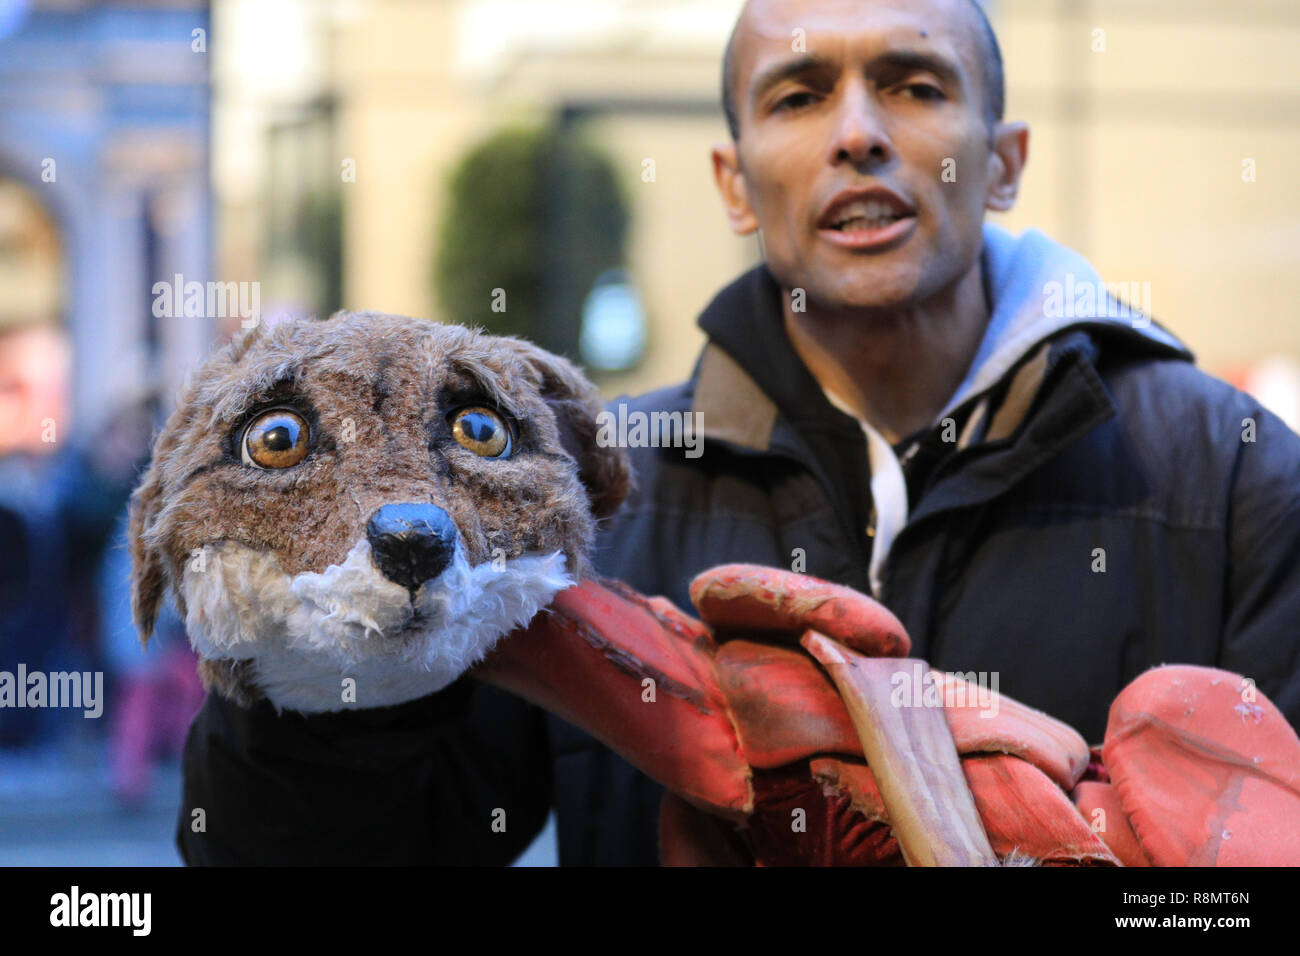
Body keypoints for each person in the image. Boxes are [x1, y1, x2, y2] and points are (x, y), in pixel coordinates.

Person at [176, 0, 1300, 865]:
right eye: (799, 95)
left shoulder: (1234, 473)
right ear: (733, 181)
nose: (857, 134)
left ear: (1000, 161)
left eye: (912, 85)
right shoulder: (573, 494)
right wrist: (317, 676)